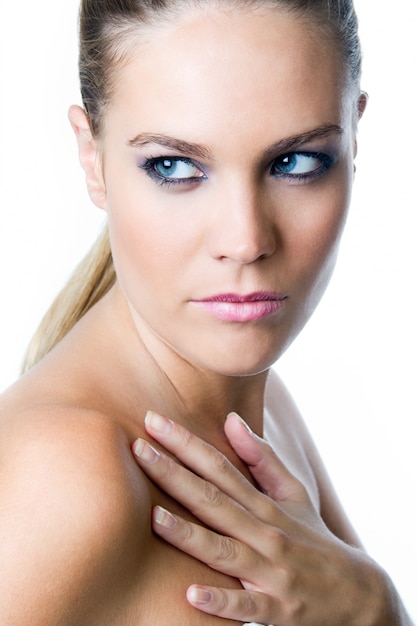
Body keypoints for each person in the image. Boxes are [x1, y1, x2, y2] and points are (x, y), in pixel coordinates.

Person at [0, 0, 412, 624]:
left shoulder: (266, 411)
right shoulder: (62, 474)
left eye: (295, 162)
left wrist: (374, 608)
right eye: (173, 167)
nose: (245, 241)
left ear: (355, 137)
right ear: (92, 157)